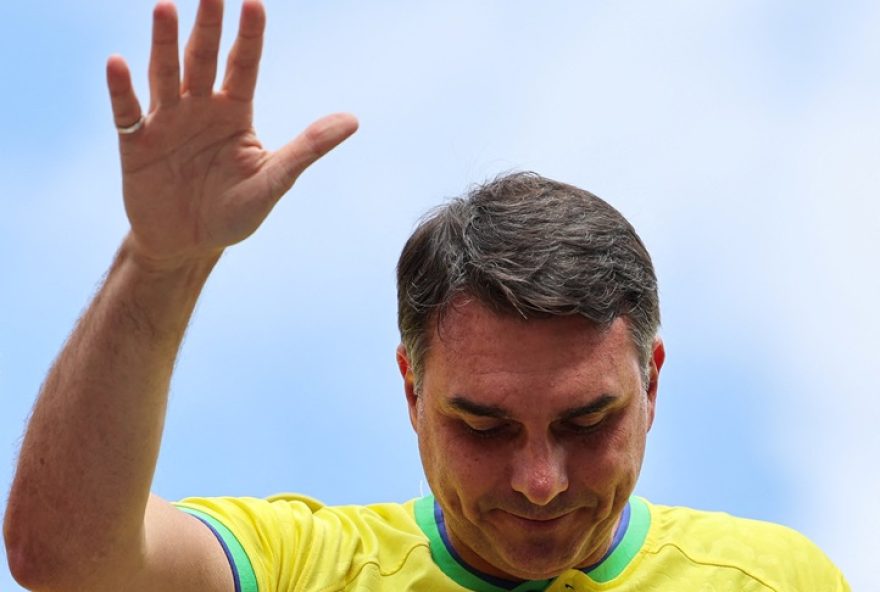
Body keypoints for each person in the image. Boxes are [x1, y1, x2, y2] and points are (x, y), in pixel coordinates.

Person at [3, 1, 850, 591]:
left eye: (587, 423)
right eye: (483, 426)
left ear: (653, 383)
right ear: (411, 390)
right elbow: (66, 560)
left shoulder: (777, 578)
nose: (542, 481)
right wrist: (160, 265)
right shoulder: (307, 569)